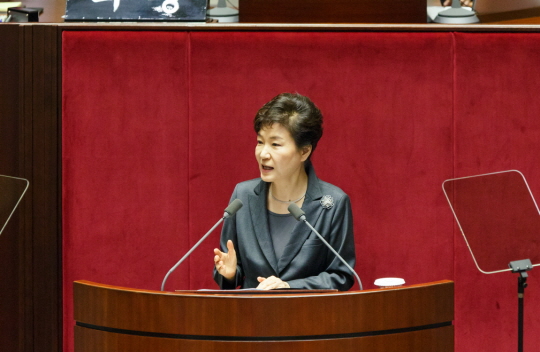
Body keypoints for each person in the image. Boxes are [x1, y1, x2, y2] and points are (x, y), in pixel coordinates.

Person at [213, 93, 356, 291]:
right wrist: (228, 274)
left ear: (304, 151)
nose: (263, 154)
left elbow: (341, 276)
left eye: (275, 144)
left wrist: (290, 286)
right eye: (260, 142)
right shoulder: (243, 196)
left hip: (310, 318)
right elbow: (230, 270)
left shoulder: (332, 203)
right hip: (252, 318)